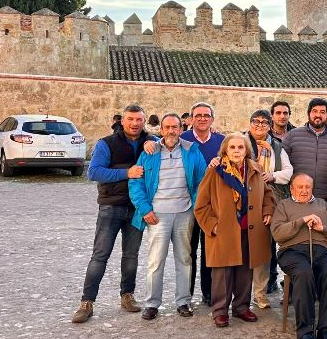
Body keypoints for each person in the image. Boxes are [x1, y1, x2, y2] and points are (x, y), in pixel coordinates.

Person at [72, 104, 154, 323]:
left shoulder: (151, 142)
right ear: (122, 121)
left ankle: (127, 295)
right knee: (100, 255)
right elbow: (94, 172)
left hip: (137, 209)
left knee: (131, 255)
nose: (135, 124)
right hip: (111, 207)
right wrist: (127, 172)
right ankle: (87, 302)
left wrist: (153, 143)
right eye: (130, 119)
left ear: (144, 121)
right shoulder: (106, 143)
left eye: (139, 120)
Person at [128, 113, 207, 319]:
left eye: (175, 127)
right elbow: (136, 182)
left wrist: (193, 208)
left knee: (184, 259)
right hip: (157, 215)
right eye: (167, 127)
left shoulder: (191, 151)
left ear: (181, 129)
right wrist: (145, 210)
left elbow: (202, 181)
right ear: (161, 130)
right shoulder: (150, 151)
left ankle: (183, 302)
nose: (171, 131)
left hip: (184, 213)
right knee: (155, 261)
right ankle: (152, 303)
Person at [194, 133, 276, 327]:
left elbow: (268, 194)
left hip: (250, 228)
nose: (237, 151)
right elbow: (201, 205)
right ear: (225, 150)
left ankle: (241, 307)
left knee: (245, 271)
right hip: (223, 231)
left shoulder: (255, 169)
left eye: (240, 147)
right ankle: (220, 310)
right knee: (222, 272)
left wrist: (267, 210)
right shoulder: (215, 171)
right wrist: (212, 225)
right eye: (232, 147)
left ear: (246, 149)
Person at [270, 173, 327, 339]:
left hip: (322, 250)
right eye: (300, 187)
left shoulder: (322, 205)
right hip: (292, 251)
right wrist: (301, 221)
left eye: (307, 187)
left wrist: (322, 228)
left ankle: (326, 329)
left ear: (312, 188)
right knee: (303, 272)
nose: (304, 190)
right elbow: (278, 233)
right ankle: (306, 330)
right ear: (292, 188)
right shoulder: (284, 205)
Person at [244, 109, 293, 309]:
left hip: (270, 201)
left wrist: (272, 176)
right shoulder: (240, 142)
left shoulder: (277, 147)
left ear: (269, 126)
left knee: (263, 249)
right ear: (249, 123)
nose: (260, 125)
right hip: (244, 201)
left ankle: (260, 292)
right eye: (256, 121)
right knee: (244, 249)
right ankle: (240, 293)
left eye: (264, 122)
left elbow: (289, 172)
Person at [181, 102, 225, 306]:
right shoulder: (182, 140)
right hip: (188, 204)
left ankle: (209, 294)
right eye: (197, 115)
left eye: (206, 115)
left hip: (212, 206)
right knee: (188, 251)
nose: (202, 118)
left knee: (210, 252)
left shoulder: (221, 141)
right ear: (191, 119)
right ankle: (186, 294)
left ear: (212, 119)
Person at [282, 98, 327, 205]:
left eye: (322, 112)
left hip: (324, 199)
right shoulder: (292, 135)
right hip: (296, 197)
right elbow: (281, 164)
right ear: (308, 113)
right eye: (314, 111)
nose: (318, 115)